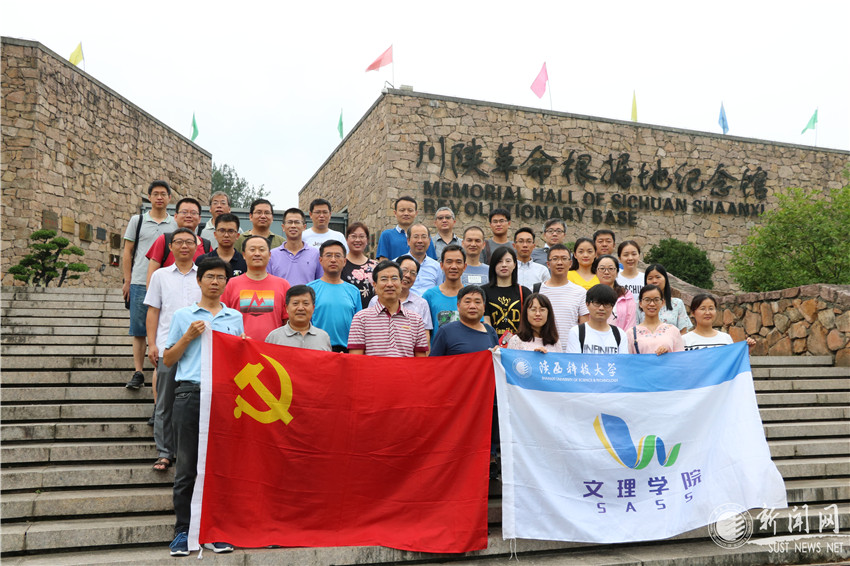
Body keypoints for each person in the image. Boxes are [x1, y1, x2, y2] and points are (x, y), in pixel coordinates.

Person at [163, 257, 243, 557]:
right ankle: (183, 530)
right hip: (190, 393)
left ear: (226, 283)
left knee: (219, 466)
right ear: (199, 280)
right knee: (186, 466)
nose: (215, 282)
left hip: (223, 396)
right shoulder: (184, 315)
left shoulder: (234, 317)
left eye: (220, 277)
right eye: (209, 276)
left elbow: (239, 361)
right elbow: (168, 359)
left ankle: (214, 529)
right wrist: (188, 336)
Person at [144, 228, 201, 473]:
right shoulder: (160, 276)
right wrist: (152, 343)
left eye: (189, 242)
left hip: (199, 349)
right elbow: (153, 310)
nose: (184, 246)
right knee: (164, 402)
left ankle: (194, 452)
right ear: (170, 246)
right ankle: (165, 452)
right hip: (168, 346)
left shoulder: (204, 275)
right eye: (179, 242)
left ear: (197, 246)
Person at [122, 180, 176, 390]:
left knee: (165, 325)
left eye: (163, 194)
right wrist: (127, 280)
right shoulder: (137, 221)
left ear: (169, 198)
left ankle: (162, 368)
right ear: (150, 197)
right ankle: (138, 372)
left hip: (167, 283)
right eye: (155, 194)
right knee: (139, 329)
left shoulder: (175, 224)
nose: (159, 197)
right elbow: (127, 252)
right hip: (139, 281)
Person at [348, 260, 429, 357]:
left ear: (401, 283)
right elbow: (356, 360)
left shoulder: (416, 320)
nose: (390, 284)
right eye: (384, 279)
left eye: (394, 279)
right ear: (375, 285)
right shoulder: (361, 319)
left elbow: (420, 361)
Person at [221, 235, 290, 341]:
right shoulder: (231, 284)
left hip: (273, 347)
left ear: (269, 255)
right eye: (252, 250)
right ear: (244, 255)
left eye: (262, 250)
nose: (257, 254)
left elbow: (287, 322)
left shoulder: (283, 285)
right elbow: (223, 319)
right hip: (241, 346)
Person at [307, 240, 361, 353]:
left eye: (337, 256)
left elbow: (358, 327)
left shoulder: (354, 291)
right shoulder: (310, 289)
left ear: (344, 261)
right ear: (320, 260)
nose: (333, 260)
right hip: (317, 349)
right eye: (328, 255)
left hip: (346, 351)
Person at [144, 197, 212, 288]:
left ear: (199, 219)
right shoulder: (164, 240)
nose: (189, 216)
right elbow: (152, 276)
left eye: (193, 213)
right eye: (184, 212)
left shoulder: (206, 245)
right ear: (175, 217)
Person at [367, 255, 433, 339]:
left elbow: (425, 337)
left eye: (413, 273)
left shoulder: (421, 304)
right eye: (404, 270)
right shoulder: (376, 300)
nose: (408, 275)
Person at [539, 244, 589, 352]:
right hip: (543, 352)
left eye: (564, 259)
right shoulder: (537, 290)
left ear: (570, 263)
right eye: (555, 259)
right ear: (548, 264)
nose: (560, 263)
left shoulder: (580, 292)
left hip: (570, 353)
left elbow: (584, 327)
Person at [430, 285, 499, 356]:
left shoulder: (490, 331)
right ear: (458, 306)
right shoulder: (446, 331)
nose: (472, 306)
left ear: (484, 307)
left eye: (477, 302)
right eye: (467, 302)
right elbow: (434, 361)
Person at [566, 284, 629, 354]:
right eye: (597, 303)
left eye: (606, 304)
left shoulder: (620, 334)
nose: (601, 308)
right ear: (587, 304)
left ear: (613, 306)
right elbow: (574, 359)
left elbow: (622, 360)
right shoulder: (576, 332)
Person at [483, 246, 531, 338]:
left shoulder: (524, 292)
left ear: (514, 264)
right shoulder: (483, 291)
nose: (504, 265)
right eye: (499, 261)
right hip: (492, 342)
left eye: (508, 261)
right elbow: (486, 321)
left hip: (519, 342)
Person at [265, 285, 332, 351]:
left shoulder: (323, 337)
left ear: (313, 308)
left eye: (306, 303)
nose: (300, 308)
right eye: (295, 303)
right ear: (287, 308)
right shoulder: (274, 337)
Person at [267, 208, 323, 286]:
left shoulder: (315, 254)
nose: (293, 226)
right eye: (289, 222)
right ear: (283, 227)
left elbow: (320, 283)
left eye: (297, 222)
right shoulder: (272, 255)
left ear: (304, 227)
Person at [423, 244, 466, 339]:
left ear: (464, 266)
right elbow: (424, 332)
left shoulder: (471, 295)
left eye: (458, 262)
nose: (453, 266)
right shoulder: (429, 296)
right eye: (449, 262)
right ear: (442, 265)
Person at [684, 294, 756, 350]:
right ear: (693, 313)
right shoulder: (685, 340)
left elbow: (732, 361)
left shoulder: (725, 339)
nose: (707, 312)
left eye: (711, 308)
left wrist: (747, 350)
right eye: (702, 309)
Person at [628, 285, 685, 355]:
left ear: (662, 302)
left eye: (656, 300)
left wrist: (667, 353)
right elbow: (627, 359)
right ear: (640, 303)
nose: (652, 304)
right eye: (647, 300)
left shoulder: (673, 331)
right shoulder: (631, 333)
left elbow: (680, 358)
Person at [375, 196, 436, 261]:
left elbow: (431, 261)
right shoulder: (386, 235)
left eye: (410, 210)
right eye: (402, 210)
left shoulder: (424, 236)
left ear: (416, 213)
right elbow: (383, 262)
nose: (406, 213)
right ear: (395, 213)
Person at [638, 264, 693, 334]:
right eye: (650, 278)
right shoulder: (639, 304)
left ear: (665, 279)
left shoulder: (677, 303)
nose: (654, 281)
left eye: (658, 277)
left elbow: (683, 332)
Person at [196, 213, 247, 277]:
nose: (226, 235)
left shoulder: (245, 262)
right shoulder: (202, 260)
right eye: (222, 231)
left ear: (237, 235)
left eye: (231, 231)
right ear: (215, 234)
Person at [594, 254, 636, 331]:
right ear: (596, 272)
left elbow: (631, 322)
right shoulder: (591, 295)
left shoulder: (626, 295)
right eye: (602, 268)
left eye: (611, 268)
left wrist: (622, 337)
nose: (606, 272)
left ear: (617, 272)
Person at [341, 222, 378, 308]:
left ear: (367, 240)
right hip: (347, 311)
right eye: (353, 236)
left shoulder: (375, 266)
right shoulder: (340, 264)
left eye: (361, 236)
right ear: (346, 239)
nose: (357, 240)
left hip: (371, 313)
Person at [404, 223, 442, 296]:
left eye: (424, 237)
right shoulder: (397, 264)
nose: (420, 241)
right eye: (416, 237)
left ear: (429, 241)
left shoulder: (437, 267)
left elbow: (439, 292)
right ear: (408, 241)